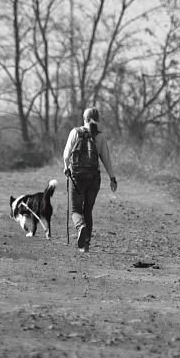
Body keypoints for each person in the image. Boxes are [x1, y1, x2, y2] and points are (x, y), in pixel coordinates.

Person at [63, 107, 117, 253]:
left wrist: (66, 168)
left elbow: (66, 155)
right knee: (88, 210)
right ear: (97, 120)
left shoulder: (75, 132)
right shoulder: (100, 137)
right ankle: (86, 244)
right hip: (94, 179)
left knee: (75, 209)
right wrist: (112, 178)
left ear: (83, 118)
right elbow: (106, 160)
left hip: (77, 178)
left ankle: (80, 227)